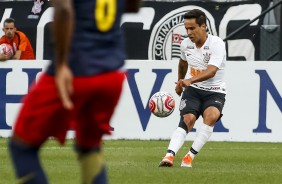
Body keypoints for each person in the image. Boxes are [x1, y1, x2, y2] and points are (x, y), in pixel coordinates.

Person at [8, 0, 140, 183]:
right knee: (90, 146)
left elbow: (63, 9)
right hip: (112, 73)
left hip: (75, 69)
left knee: (21, 144)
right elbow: (134, 6)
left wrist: (62, 64)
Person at [159, 9, 227, 168]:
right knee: (188, 119)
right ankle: (169, 155)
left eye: (192, 28)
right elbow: (182, 63)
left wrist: (189, 79)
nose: (188, 32)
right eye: (186, 28)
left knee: (212, 116)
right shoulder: (185, 44)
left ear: (203, 26)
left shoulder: (216, 44)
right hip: (193, 90)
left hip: (215, 90)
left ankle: (189, 157)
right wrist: (179, 82)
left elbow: (212, 71)